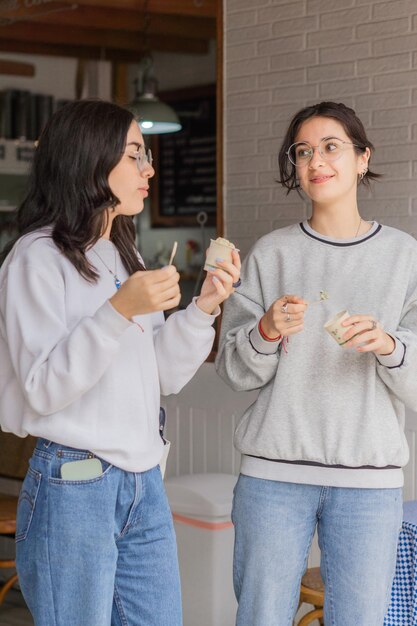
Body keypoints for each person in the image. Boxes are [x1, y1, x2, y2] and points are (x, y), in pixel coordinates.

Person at [0, 99, 240, 626]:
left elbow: (162, 376)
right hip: (75, 481)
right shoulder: (36, 258)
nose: (149, 168)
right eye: (135, 154)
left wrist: (203, 309)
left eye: (146, 154)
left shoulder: (119, 255)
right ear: (90, 159)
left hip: (143, 479)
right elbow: (41, 387)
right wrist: (118, 310)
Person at [215, 101, 417, 626]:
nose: (315, 161)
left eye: (331, 147)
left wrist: (390, 347)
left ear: (362, 159)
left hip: (369, 482)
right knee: (261, 617)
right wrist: (264, 332)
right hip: (272, 476)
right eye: (302, 151)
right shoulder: (270, 254)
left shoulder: (404, 257)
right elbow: (235, 372)